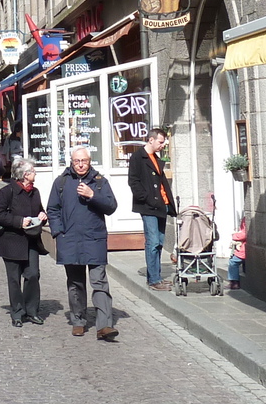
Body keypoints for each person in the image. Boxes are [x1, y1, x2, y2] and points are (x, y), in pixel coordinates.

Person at [47, 145, 119, 340]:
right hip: (69, 239)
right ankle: (78, 320)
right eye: (77, 161)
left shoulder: (99, 182)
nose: (80, 165)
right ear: (71, 162)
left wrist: (92, 195)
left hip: (94, 239)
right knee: (75, 284)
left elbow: (111, 206)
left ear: (90, 161)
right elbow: (52, 209)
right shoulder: (61, 182)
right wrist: (58, 232)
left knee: (99, 282)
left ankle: (104, 325)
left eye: (84, 161)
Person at [0, 158, 48, 326]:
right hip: (11, 242)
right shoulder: (7, 192)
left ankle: (32, 311)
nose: (35, 173)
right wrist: (18, 221)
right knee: (14, 278)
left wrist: (42, 217)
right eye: (33, 172)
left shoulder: (34, 192)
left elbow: (39, 211)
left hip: (31, 241)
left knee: (32, 275)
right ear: (25, 175)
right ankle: (17, 312)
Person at [128, 125, 177, 291]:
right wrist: (146, 198)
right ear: (151, 139)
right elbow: (133, 181)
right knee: (153, 241)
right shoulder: (138, 157)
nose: (163, 145)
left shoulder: (156, 158)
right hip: (149, 206)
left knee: (159, 242)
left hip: (161, 206)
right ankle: (154, 280)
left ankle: (156, 277)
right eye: (161, 142)